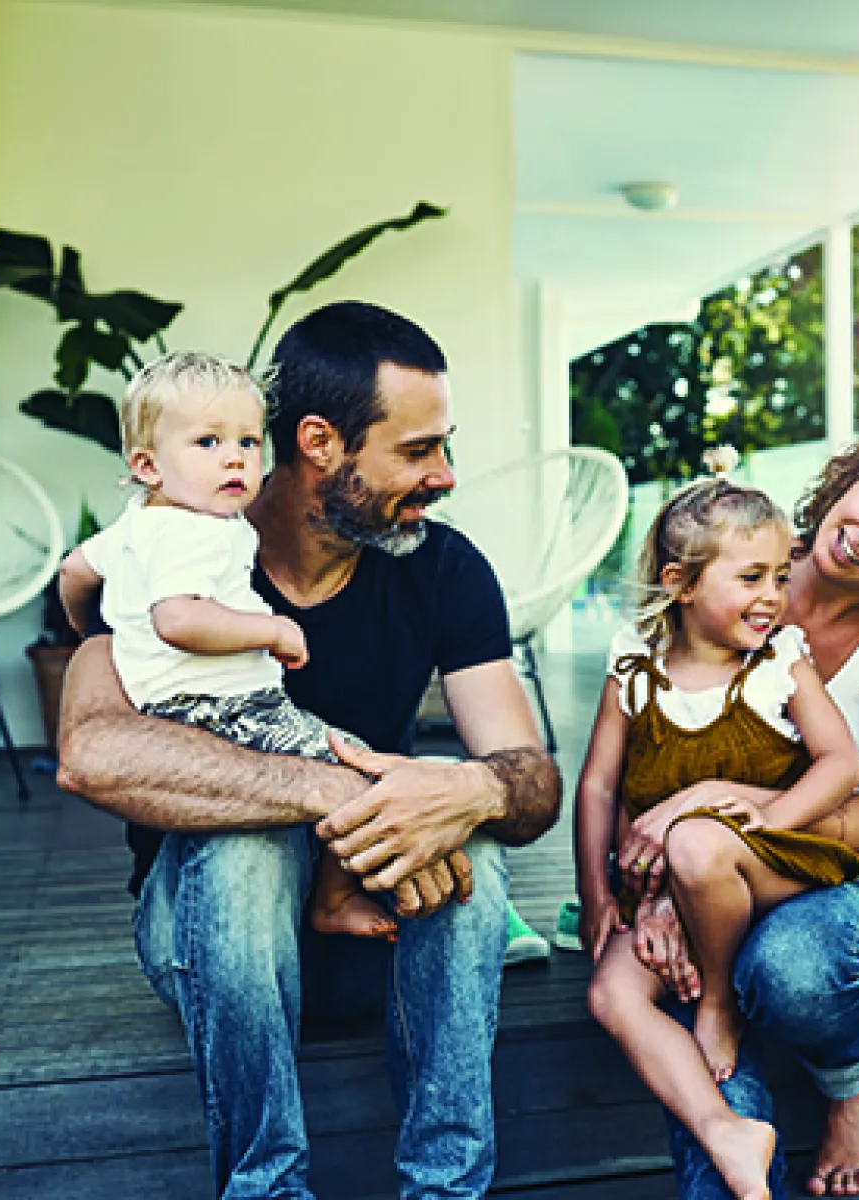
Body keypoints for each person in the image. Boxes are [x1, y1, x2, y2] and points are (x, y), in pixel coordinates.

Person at [55, 301, 562, 1200]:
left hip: (380, 922)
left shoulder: (442, 569)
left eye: (445, 447)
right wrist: (325, 790)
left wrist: (469, 794)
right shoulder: (172, 545)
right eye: (417, 451)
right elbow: (93, 752)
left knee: (466, 829)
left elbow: (529, 779)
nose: (444, 477)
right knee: (247, 845)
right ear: (322, 442)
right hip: (211, 942)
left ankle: (446, 1190)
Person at [610, 417, 859, 1198]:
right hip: (690, 872)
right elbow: (635, 758)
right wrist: (656, 889)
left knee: (793, 970)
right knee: (686, 981)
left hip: (819, 882)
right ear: (852, 476)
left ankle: (854, 1070)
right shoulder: (730, 564)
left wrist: (721, 811)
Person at [577, 479, 859, 1200]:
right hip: (679, 881)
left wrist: (763, 822)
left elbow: (841, 762)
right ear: (679, 584)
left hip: (778, 861)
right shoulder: (635, 667)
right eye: (751, 578)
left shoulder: (780, 663)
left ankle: (718, 1006)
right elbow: (600, 786)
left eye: (779, 574)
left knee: (699, 844)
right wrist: (596, 894)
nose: (774, 595)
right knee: (613, 995)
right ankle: (725, 1129)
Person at [57, 351, 394, 942]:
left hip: (170, 713)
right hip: (225, 707)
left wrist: (96, 631)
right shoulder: (198, 532)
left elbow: (73, 574)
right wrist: (274, 630)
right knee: (359, 767)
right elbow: (178, 620)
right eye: (208, 442)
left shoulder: (137, 523)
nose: (235, 457)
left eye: (247, 439)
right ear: (147, 464)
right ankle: (333, 900)